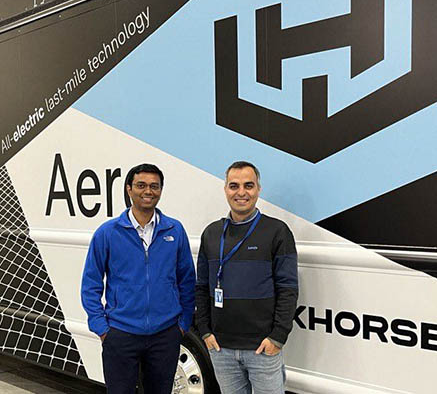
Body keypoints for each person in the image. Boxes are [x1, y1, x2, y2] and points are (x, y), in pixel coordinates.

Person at [81, 163, 195, 394]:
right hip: (120, 334)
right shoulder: (108, 233)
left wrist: (182, 324)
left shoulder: (175, 230)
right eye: (141, 185)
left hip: (165, 335)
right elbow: (91, 284)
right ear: (128, 189)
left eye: (154, 186)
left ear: (161, 190)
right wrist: (102, 328)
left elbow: (187, 280)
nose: (148, 191)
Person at [195, 161, 298, 394]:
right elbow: (201, 286)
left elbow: (288, 289)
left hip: (262, 349)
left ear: (258, 189)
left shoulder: (277, 231)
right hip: (221, 350)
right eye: (234, 186)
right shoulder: (211, 233)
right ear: (225, 190)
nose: (241, 192)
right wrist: (205, 331)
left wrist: (277, 338)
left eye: (248, 185)